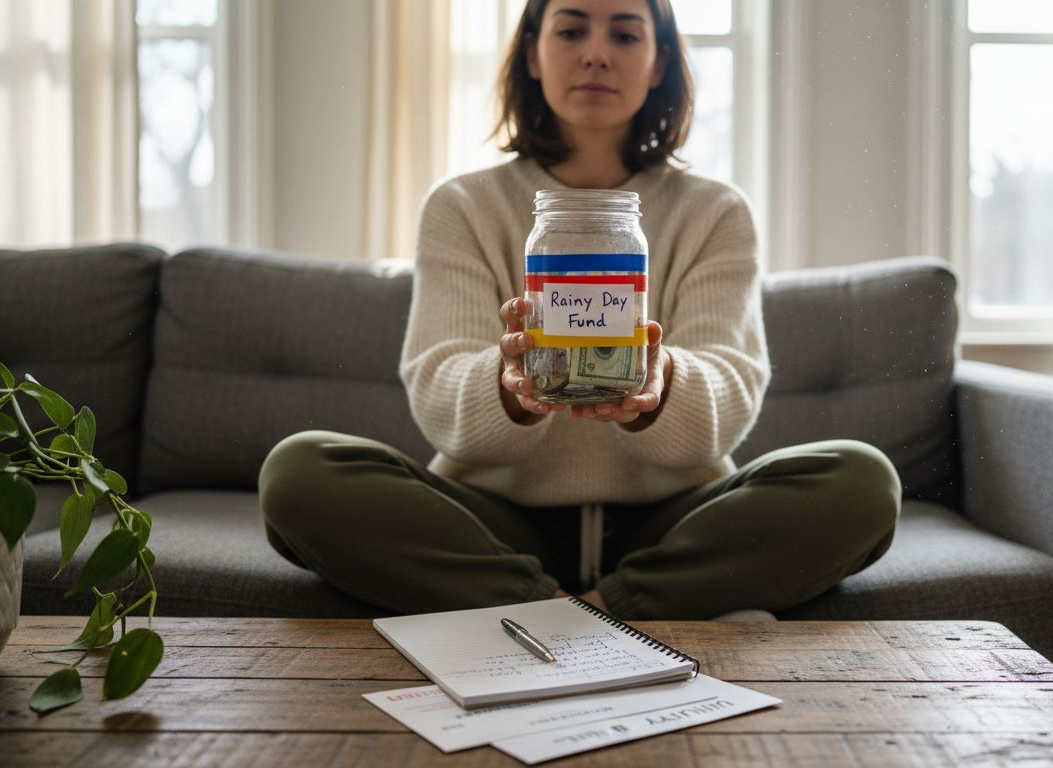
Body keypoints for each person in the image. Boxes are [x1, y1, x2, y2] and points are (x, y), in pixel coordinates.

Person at [259, 0, 900, 620]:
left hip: (675, 520)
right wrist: (508, 387)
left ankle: (563, 619)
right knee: (299, 471)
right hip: (493, 522)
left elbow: (731, 393)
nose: (596, 54)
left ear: (658, 63)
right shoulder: (462, 205)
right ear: (533, 55)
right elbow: (436, 387)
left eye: (625, 35)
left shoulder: (715, 212)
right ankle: (634, 617)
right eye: (570, 32)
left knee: (863, 482)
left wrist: (661, 381)